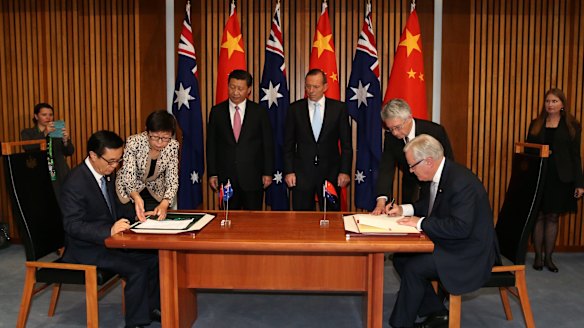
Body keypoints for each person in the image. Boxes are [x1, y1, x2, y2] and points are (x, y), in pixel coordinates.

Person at [387, 134, 499, 328]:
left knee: (414, 268)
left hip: (470, 250)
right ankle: (436, 312)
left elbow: (460, 228)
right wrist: (404, 210)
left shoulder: (460, 182)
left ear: (428, 161)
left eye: (413, 166)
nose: (411, 171)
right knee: (401, 259)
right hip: (456, 242)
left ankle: (400, 324)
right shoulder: (443, 173)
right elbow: (431, 205)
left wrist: (419, 223)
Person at [60, 131, 160, 328]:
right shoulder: (75, 182)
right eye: (111, 161)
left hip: (109, 241)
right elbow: (72, 225)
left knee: (154, 257)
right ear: (93, 155)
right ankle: (136, 323)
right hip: (86, 248)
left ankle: (151, 307)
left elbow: (115, 205)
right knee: (136, 268)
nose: (115, 166)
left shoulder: (104, 172)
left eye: (118, 160)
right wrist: (109, 231)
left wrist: (137, 215)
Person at [526, 88, 584, 273]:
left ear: (562, 104)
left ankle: (549, 258)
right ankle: (537, 256)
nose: (550, 105)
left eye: (554, 101)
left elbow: (576, 156)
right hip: (539, 176)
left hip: (560, 178)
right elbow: (528, 151)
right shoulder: (536, 124)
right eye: (548, 101)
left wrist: (580, 183)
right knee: (539, 215)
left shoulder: (572, 126)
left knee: (552, 216)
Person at [283, 69, 352, 210]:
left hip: (330, 172)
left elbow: (346, 144)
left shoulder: (338, 108)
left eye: (316, 87)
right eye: (308, 86)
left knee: (331, 217)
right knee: (302, 220)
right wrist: (289, 171)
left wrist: (345, 171)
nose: (311, 90)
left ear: (325, 87)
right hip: (301, 174)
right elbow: (288, 144)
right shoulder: (295, 109)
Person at [206, 69, 274, 210]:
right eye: (232, 87)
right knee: (227, 220)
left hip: (253, 178)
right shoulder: (217, 112)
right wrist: (212, 172)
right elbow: (211, 145)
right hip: (226, 178)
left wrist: (268, 172)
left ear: (248, 90)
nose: (235, 92)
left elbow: (267, 144)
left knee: (253, 223)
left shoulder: (259, 112)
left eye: (240, 88)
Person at [372, 99, 453, 215]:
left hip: (435, 189)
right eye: (390, 128)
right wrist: (381, 201)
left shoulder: (435, 131)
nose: (394, 132)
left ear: (409, 118)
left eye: (397, 127)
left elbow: (448, 163)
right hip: (410, 192)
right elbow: (386, 169)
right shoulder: (391, 137)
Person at [116, 110, 179, 221]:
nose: (159, 142)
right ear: (147, 131)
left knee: (155, 221)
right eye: (155, 137)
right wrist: (135, 196)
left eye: (165, 138)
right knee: (130, 221)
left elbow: (172, 179)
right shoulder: (133, 142)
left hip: (155, 191)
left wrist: (165, 203)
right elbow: (129, 175)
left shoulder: (173, 146)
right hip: (128, 190)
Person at [21, 103, 75, 198]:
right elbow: (27, 146)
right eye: (44, 115)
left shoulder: (57, 132)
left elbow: (69, 152)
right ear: (36, 116)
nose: (48, 118)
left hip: (59, 172)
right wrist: (45, 132)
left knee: (62, 199)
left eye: (50, 115)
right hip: (39, 172)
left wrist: (65, 140)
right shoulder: (27, 132)